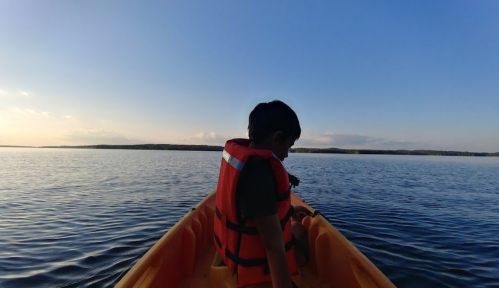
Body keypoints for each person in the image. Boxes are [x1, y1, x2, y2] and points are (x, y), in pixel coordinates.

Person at [213, 100, 311, 288]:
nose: (287, 155)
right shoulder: (258, 173)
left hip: (232, 250)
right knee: (299, 231)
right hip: (255, 267)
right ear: (276, 138)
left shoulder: (245, 163)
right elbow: (273, 247)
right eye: (288, 146)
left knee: (296, 227)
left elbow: (255, 209)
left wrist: (289, 211)